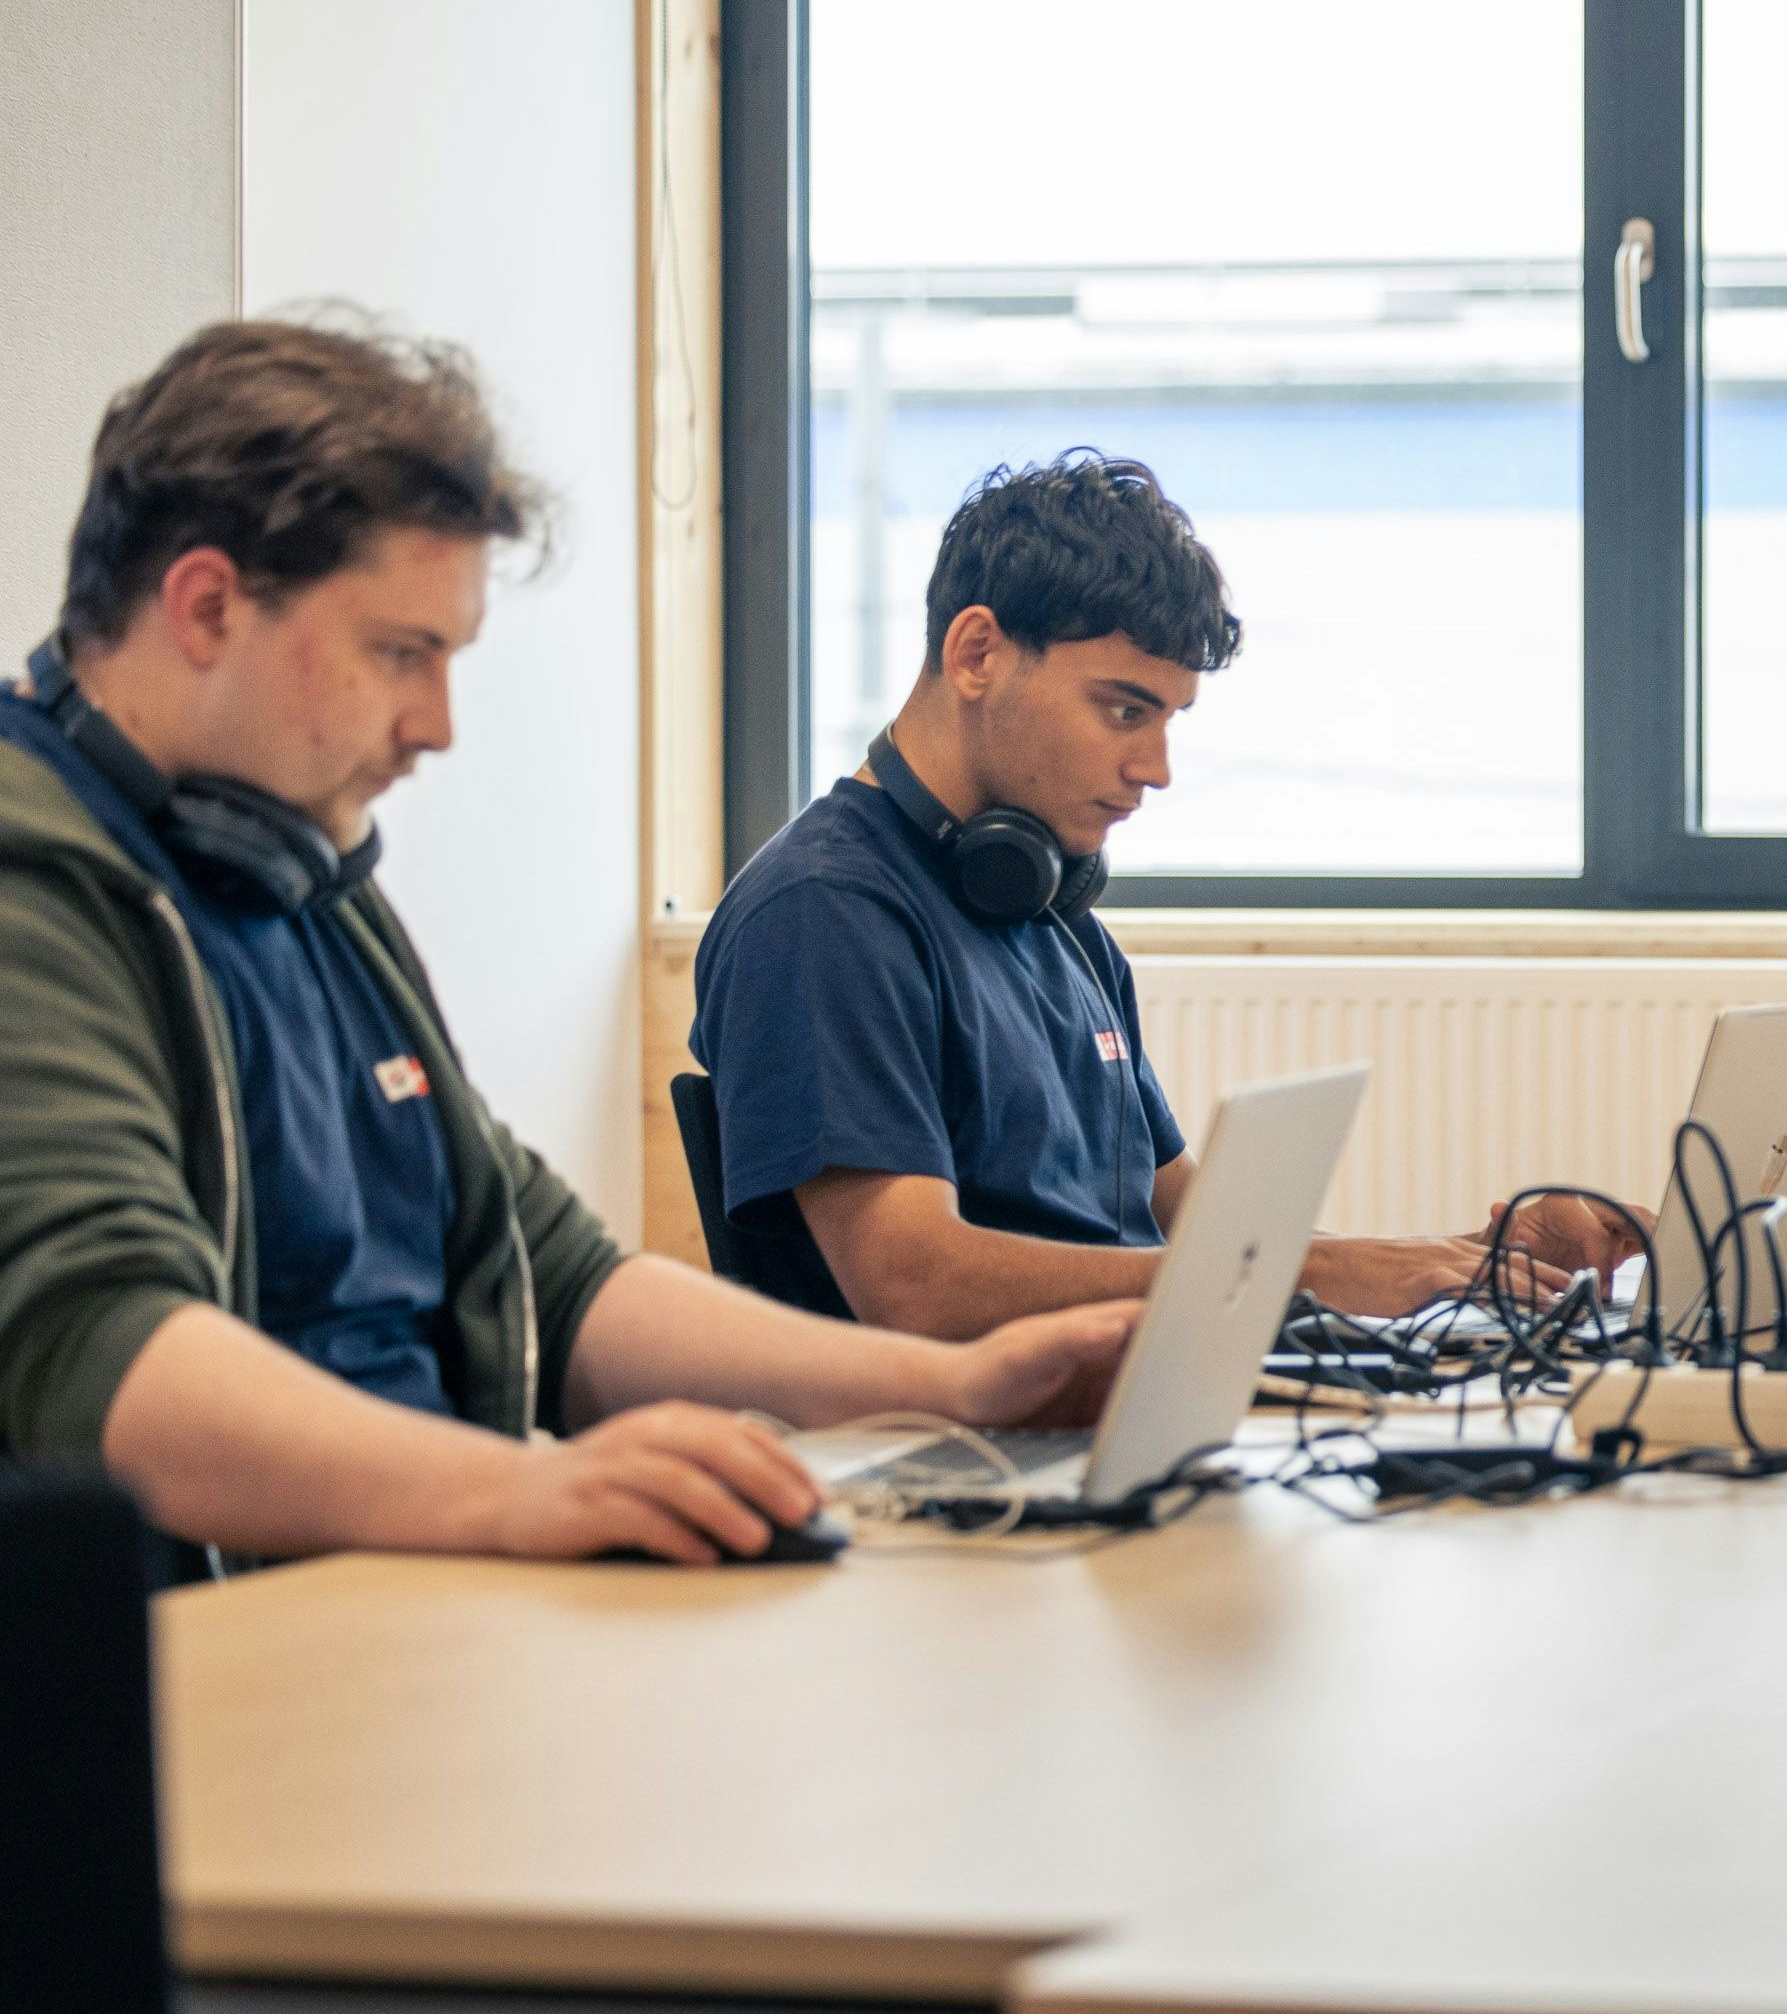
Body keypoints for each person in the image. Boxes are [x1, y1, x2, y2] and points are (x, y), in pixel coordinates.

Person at [0, 319, 1131, 1566]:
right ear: (207, 605)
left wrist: (948, 1391)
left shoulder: (296, 870)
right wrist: (519, 1495)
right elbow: (100, 1361)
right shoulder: (38, 890)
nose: (435, 725)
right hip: (210, 1668)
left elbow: (554, 1274)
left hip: (408, 1604)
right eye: (400, 654)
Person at [689, 452, 1578, 1339]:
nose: (1155, 770)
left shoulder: (1053, 918)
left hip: (1121, 1398)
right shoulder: (824, 912)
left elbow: (1190, 1221)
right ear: (977, 654)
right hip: (971, 1445)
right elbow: (915, 1282)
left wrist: (1462, 1265)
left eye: (1167, 723)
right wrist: (1310, 1273)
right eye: (1124, 711)